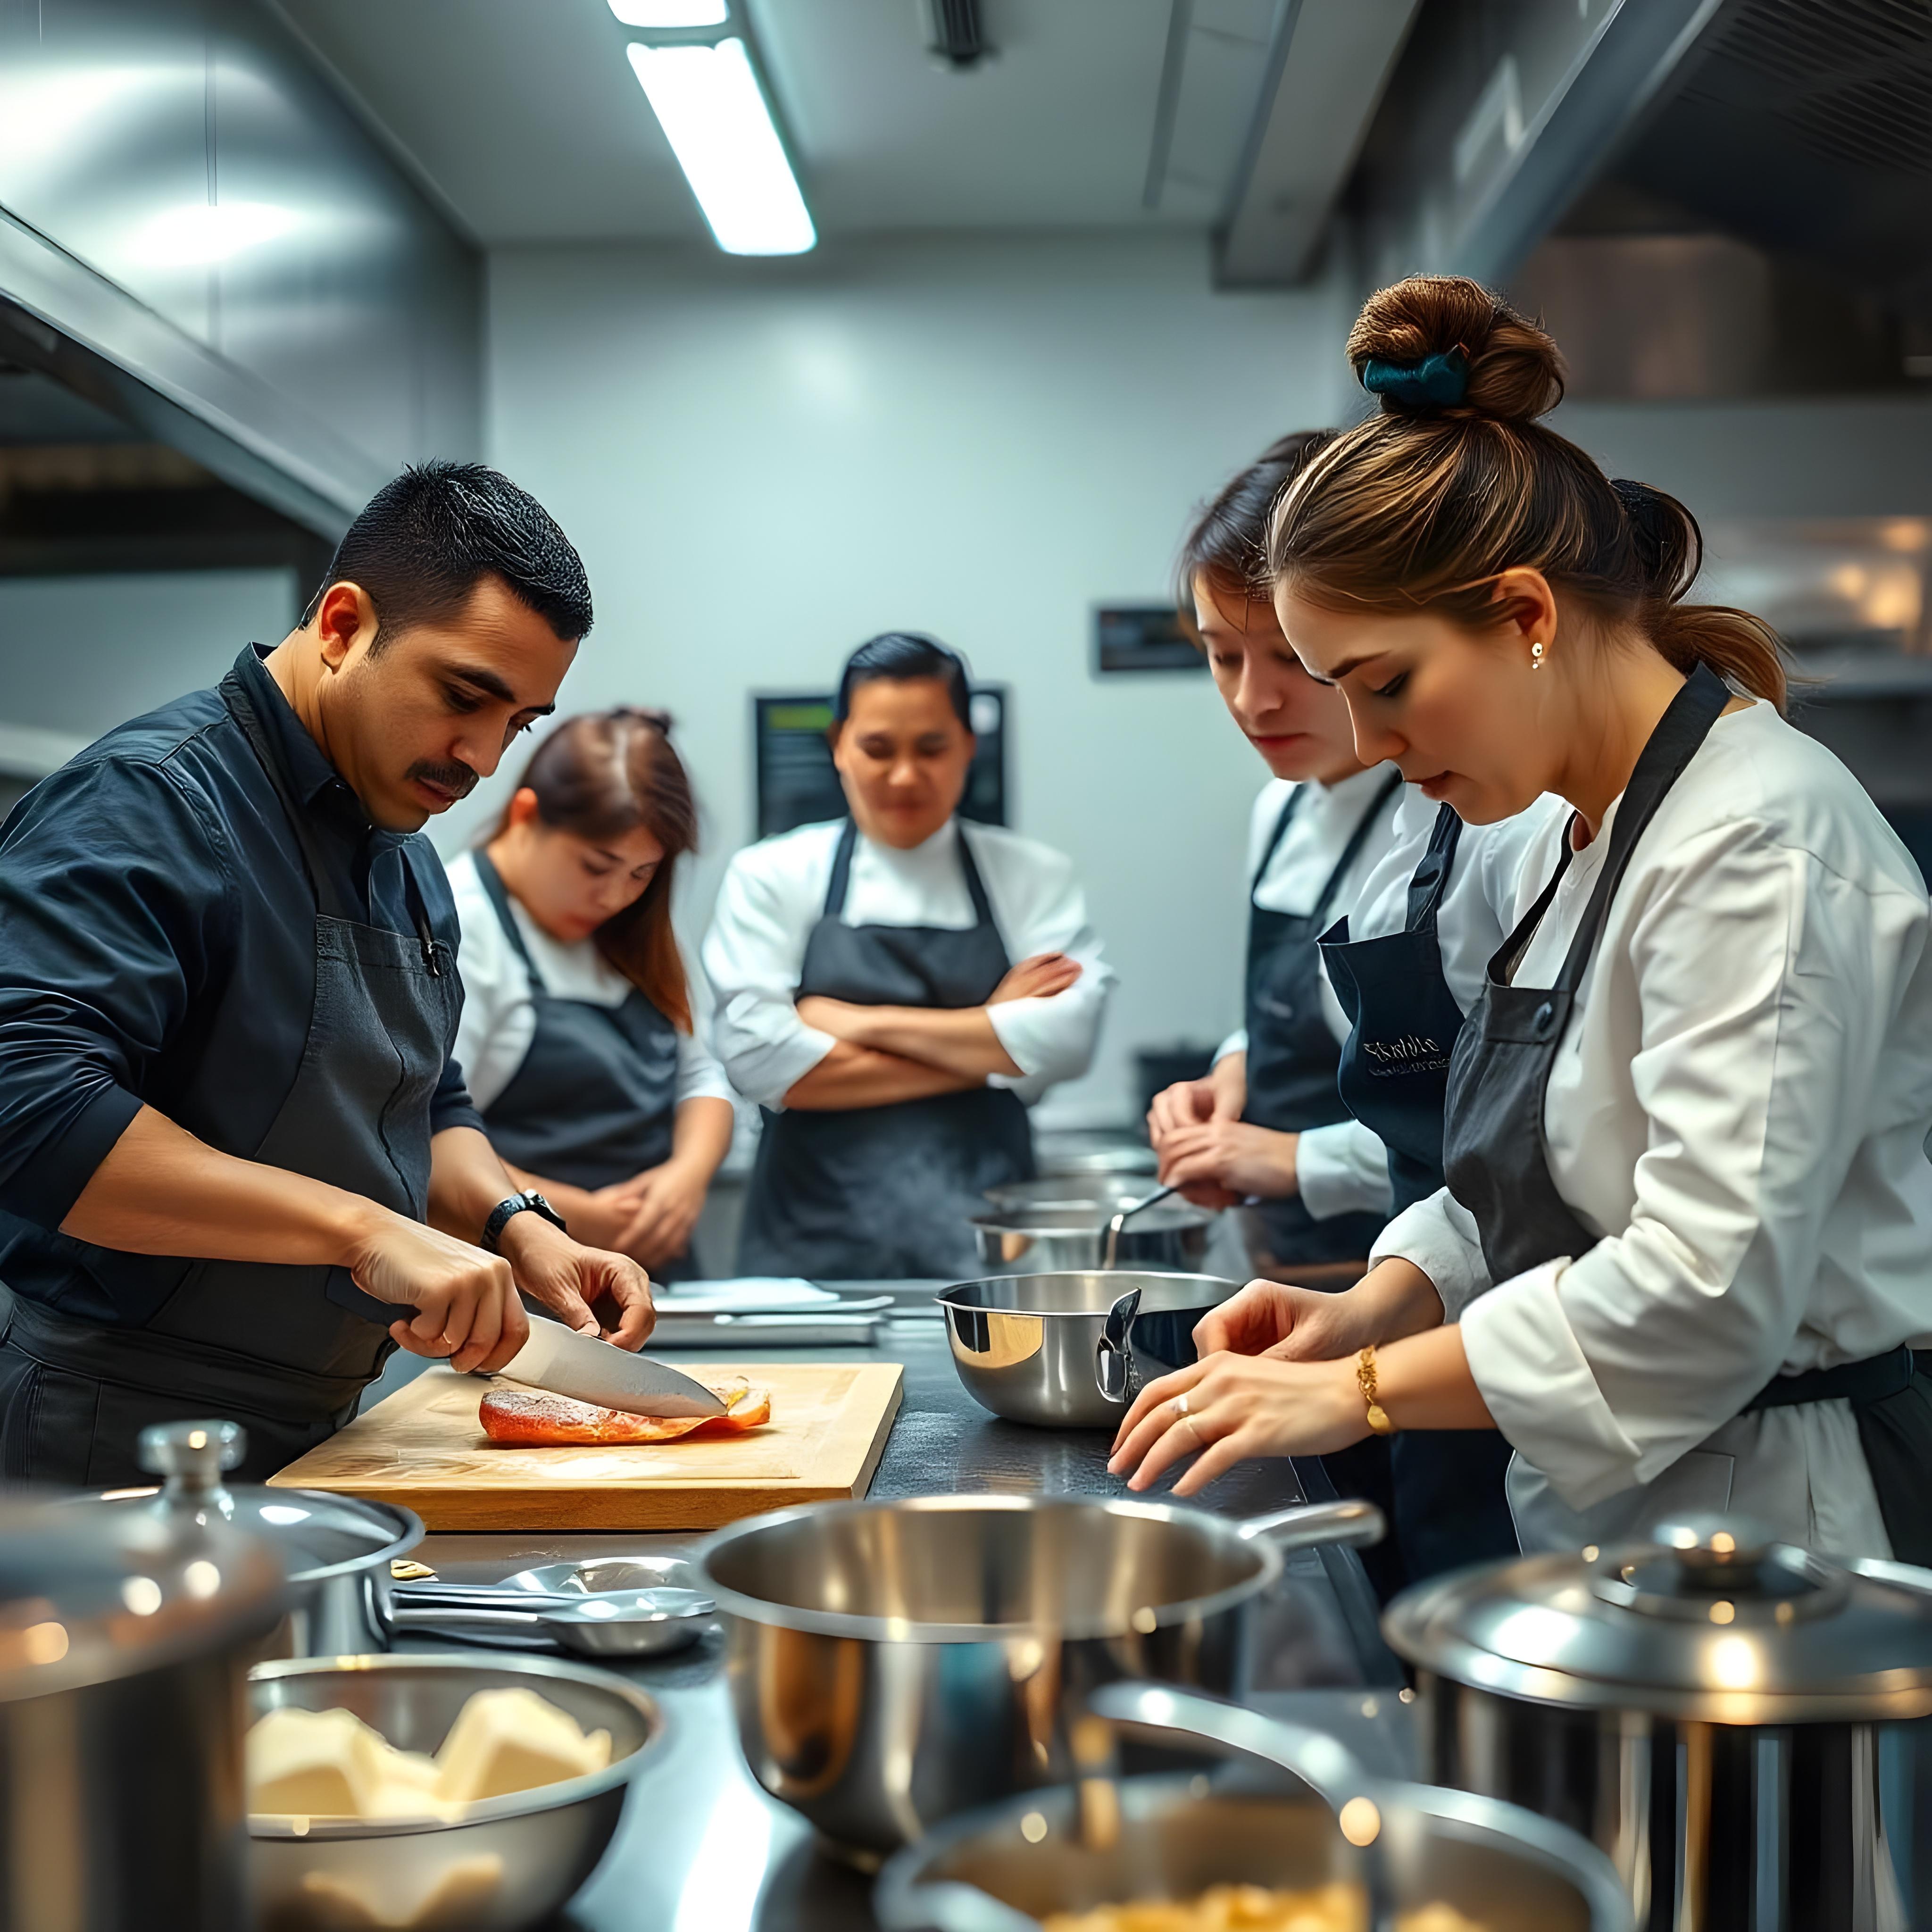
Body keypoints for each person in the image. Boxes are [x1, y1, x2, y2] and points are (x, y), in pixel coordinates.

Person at [1112, 275, 1932, 1565]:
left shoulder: (1759, 843)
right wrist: (1380, 1305)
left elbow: (1703, 1293)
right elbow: (1528, 1183)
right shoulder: (1551, 836)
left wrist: (1358, 1394)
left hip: (1786, 1526)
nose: (1373, 742)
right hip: (1612, 1511)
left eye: (1386, 687)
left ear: (1528, 615)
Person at [0, 462, 655, 1486]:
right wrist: (362, 1229)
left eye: (517, 722)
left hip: (324, 1421)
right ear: (344, 625)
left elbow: (422, 1098)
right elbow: (31, 1112)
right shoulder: (153, 801)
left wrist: (517, 1227)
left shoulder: (403, 852)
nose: (483, 756)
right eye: (462, 696)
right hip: (113, 1426)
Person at [705, 632, 1115, 1279]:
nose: (904, 776)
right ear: (839, 744)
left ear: (968, 746)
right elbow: (760, 1061)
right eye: (877, 748)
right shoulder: (771, 874)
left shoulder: (1033, 875)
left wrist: (850, 1020)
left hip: (983, 1261)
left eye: (931, 748)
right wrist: (991, 1042)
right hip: (805, 1256)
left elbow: (1066, 1042)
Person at [1146, 433, 1405, 1282]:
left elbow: (1479, 1126)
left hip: (1408, 1272)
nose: (1252, 700)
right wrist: (1236, 1068)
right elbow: (1319, 1018)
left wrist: (1286, 1161)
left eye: (1292, 657)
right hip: (1289, 1262)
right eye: (1223, 655)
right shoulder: (1281, 809)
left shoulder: (1453, 818)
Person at [447, 709, 735, 1284]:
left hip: (659, 1272)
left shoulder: (641, 929)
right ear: (525, 815)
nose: (613, 897)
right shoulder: (458, 921)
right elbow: (430, 1131)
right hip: (514, 1281)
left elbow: (704, 1076)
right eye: (596, 866)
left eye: (641, 873)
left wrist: (685, 1177)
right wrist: (578, 1216)